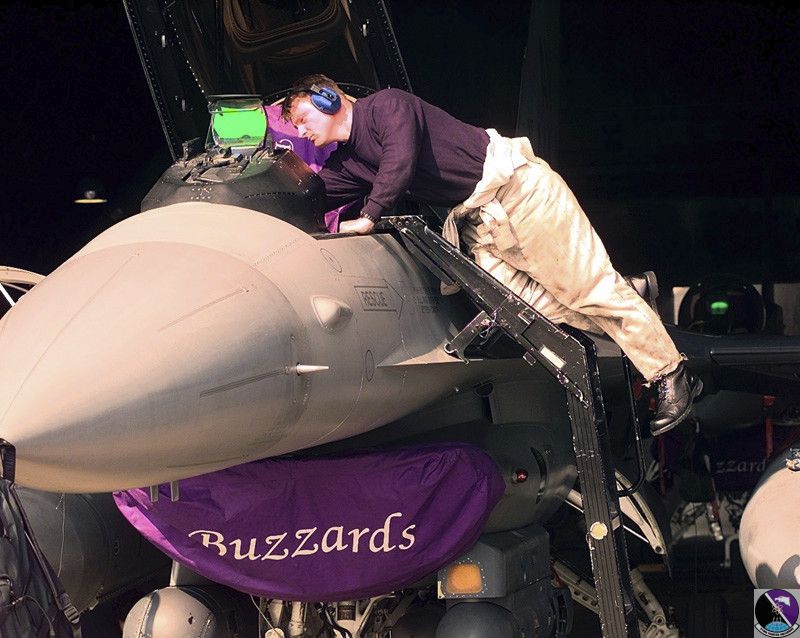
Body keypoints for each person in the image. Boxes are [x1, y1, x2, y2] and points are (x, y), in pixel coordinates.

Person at [281, 75, 702, 435]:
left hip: (520, 193)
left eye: (302, 118)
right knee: (524, 311)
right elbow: (311, 196)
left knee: (589, 291)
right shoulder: (350, 162)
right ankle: (630, 294)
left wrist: (370, 215)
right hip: (484, 221)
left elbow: (400, 158)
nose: (301, 131)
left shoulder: (388, 105)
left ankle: (671, 373)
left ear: (327, 98)